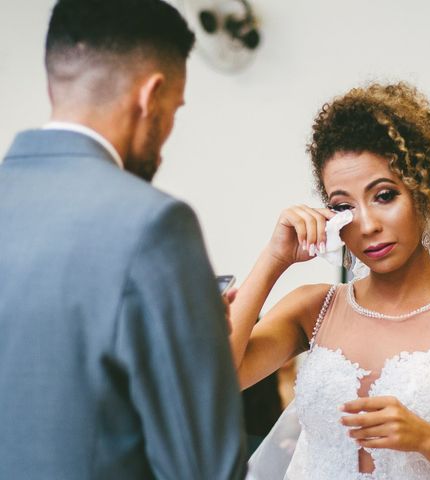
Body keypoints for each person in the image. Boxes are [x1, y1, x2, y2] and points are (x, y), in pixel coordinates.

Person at [231, 82, 430, 479]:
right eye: (344, 206)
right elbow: (214, 383)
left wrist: (427, 440)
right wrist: (273, 259)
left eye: (384, 195)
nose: (368, 225)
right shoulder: (313, 308)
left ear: (424, 194)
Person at [0, 1, 246, 478]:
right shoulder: (154, 226)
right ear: (150, 96)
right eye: (175, 108)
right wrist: (202, 344)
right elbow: (204, 468)